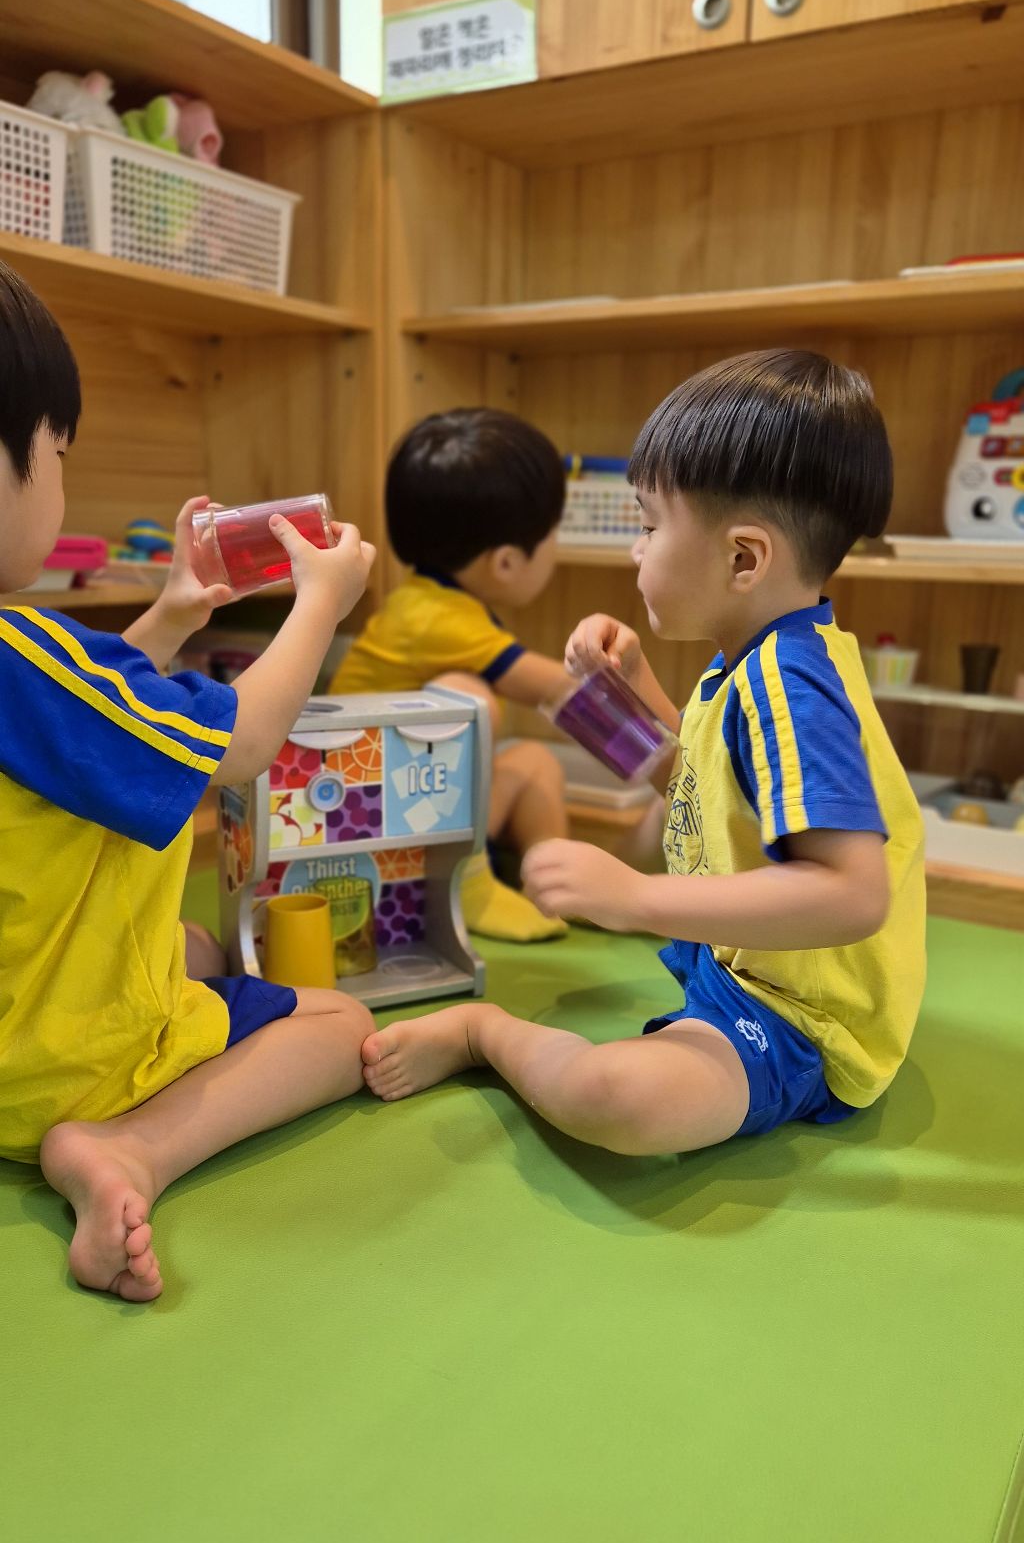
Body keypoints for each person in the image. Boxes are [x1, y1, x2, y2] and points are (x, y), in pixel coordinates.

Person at [360, 350, 927, 1154]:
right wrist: (627, 686)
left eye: (651, 526)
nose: (637, 549)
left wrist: (635, 897)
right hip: (751, 971)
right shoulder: (760, 659)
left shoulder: (790, 688)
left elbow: (853, 893)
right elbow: (698, 780)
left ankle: (484, 1032)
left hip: (800, 1013)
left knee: (615, 1097)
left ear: (743, 558)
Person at [0, 260, 376, 1300]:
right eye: (57, 454)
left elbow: (78, 727)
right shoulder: (19, 650)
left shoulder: (40, 675)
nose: (62, 481)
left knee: (200, 942)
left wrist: (169, 615)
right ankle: (129, 1147)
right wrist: (319, 603)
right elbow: (243, 745)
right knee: (340, 1027)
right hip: (54, 1064)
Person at [330, 408, 575, 942]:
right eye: (554, 534)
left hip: (404, 807)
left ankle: (557, 890)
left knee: (535, 763)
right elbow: (561, 690)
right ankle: (469, 884)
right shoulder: (437, 618)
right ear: (506, 562)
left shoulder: (431, 603)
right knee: (466, 699)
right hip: (366, 826)